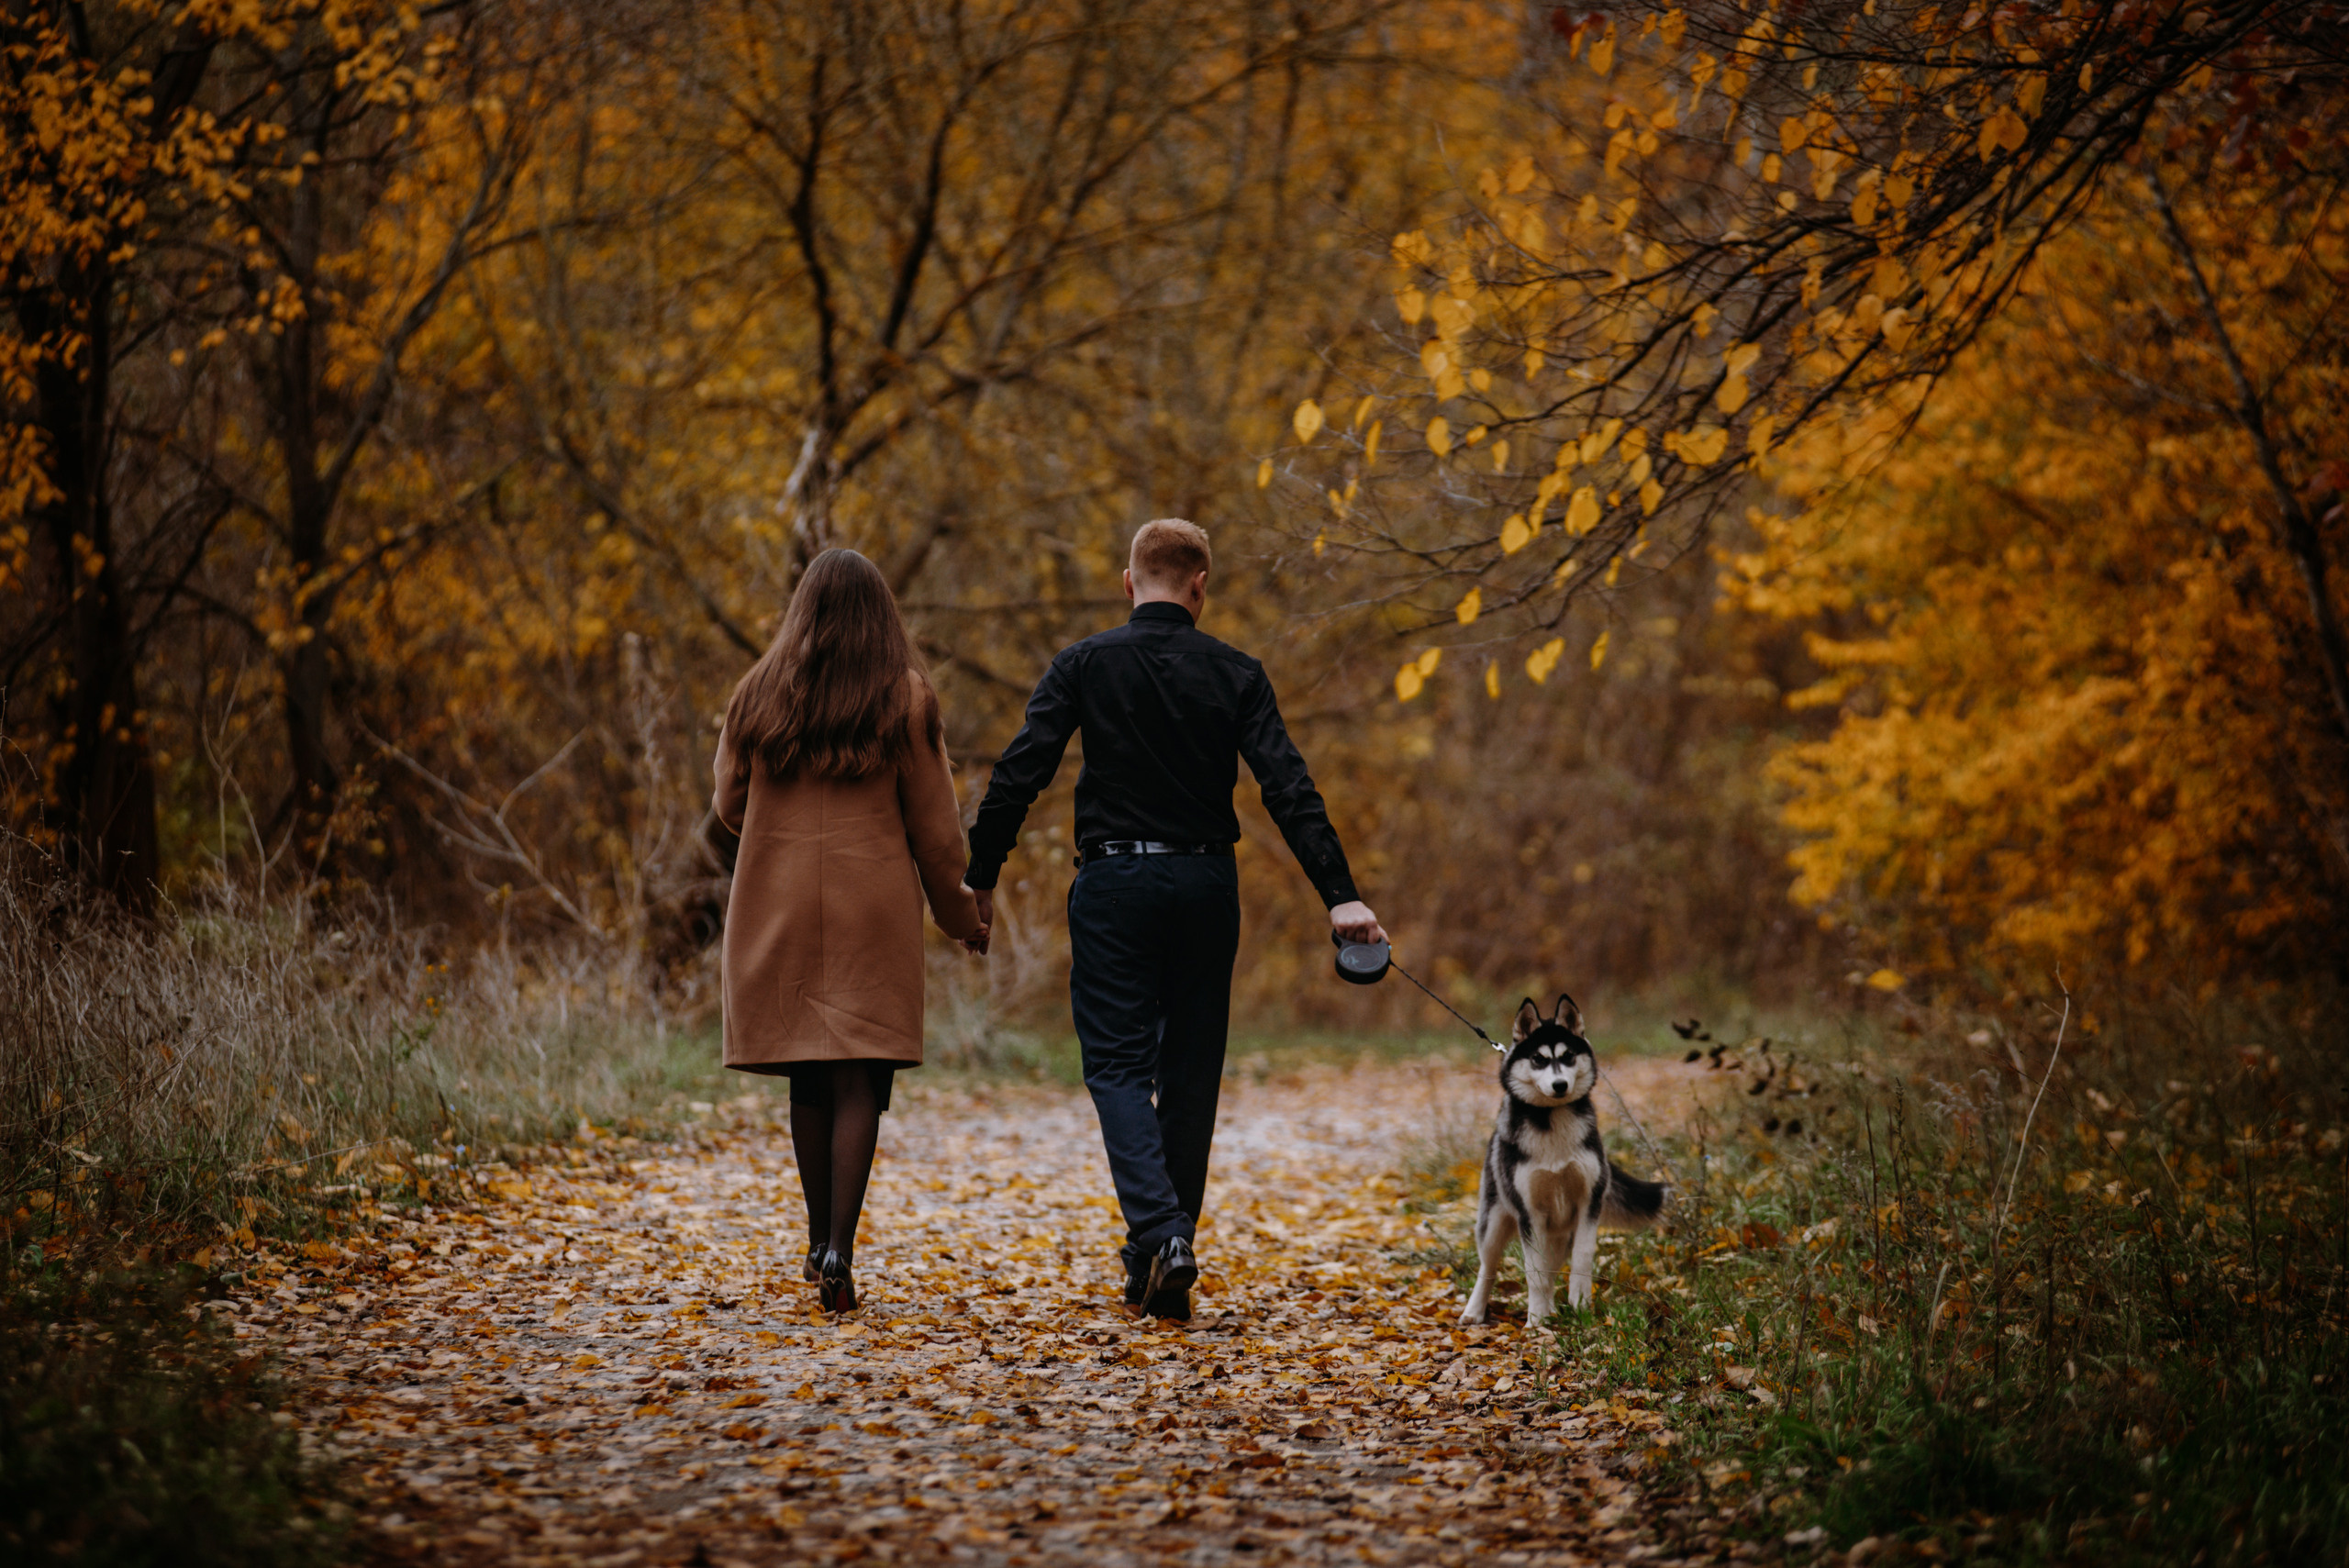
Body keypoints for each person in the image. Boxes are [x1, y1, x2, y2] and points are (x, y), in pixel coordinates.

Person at [965, 518, 1386, 1320]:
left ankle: (1161, 1234)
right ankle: (1157, 1255)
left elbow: (1021, 772)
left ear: (1130, 582)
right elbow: (1287, 786)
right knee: (1189, 1075)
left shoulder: (1083, 663)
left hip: (1115, 881)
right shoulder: (1237, 672)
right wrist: (1341, 893)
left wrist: (979, 876)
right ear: (1200, 587)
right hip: (1203, 881)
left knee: (1119, 1068)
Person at [711, 548, 989, 1313]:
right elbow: (937, 835)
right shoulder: (905, 698)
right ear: (881, 616)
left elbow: (729, 806)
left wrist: (781, 819)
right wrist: (964, 916)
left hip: (781, 900)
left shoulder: (757, 694)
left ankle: (815, 1240)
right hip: (872, 908)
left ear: (801, 612)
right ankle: (841, 1244)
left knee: (808, 1072)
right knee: (860, 1072)